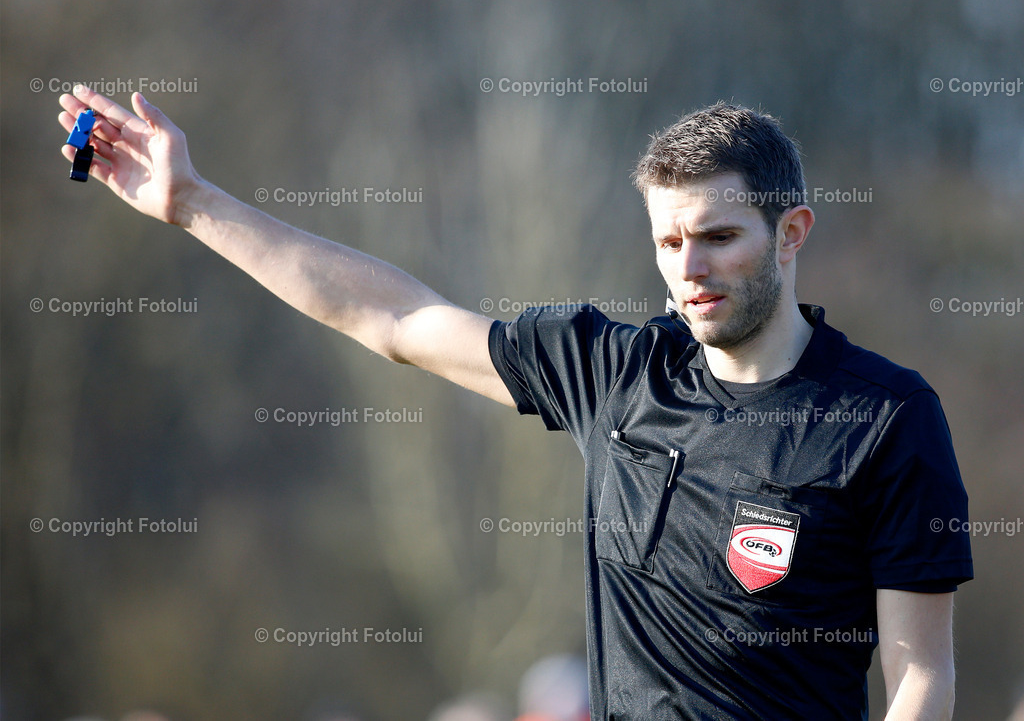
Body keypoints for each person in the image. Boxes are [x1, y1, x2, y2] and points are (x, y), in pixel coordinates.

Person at [58, 88, 973, 719]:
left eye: (720, 237)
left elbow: (921, 673)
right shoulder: (612, 373)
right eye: (668, 240)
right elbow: (398, 317)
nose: (688, 270)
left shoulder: (887, 416)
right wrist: (194, 204)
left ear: (792, 232)